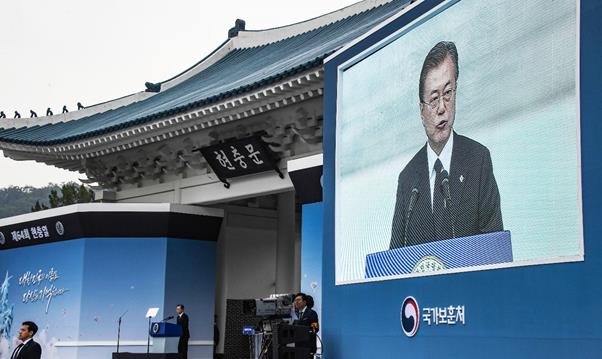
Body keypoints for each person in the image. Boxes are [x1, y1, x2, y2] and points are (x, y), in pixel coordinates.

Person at [389, 41, 503, 249]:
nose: (442, 107)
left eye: (448, 93)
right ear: (421, 110)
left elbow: (494, 249)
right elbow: (395, 261)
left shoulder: (478, 160)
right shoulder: (407, 179)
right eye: (434, 99)